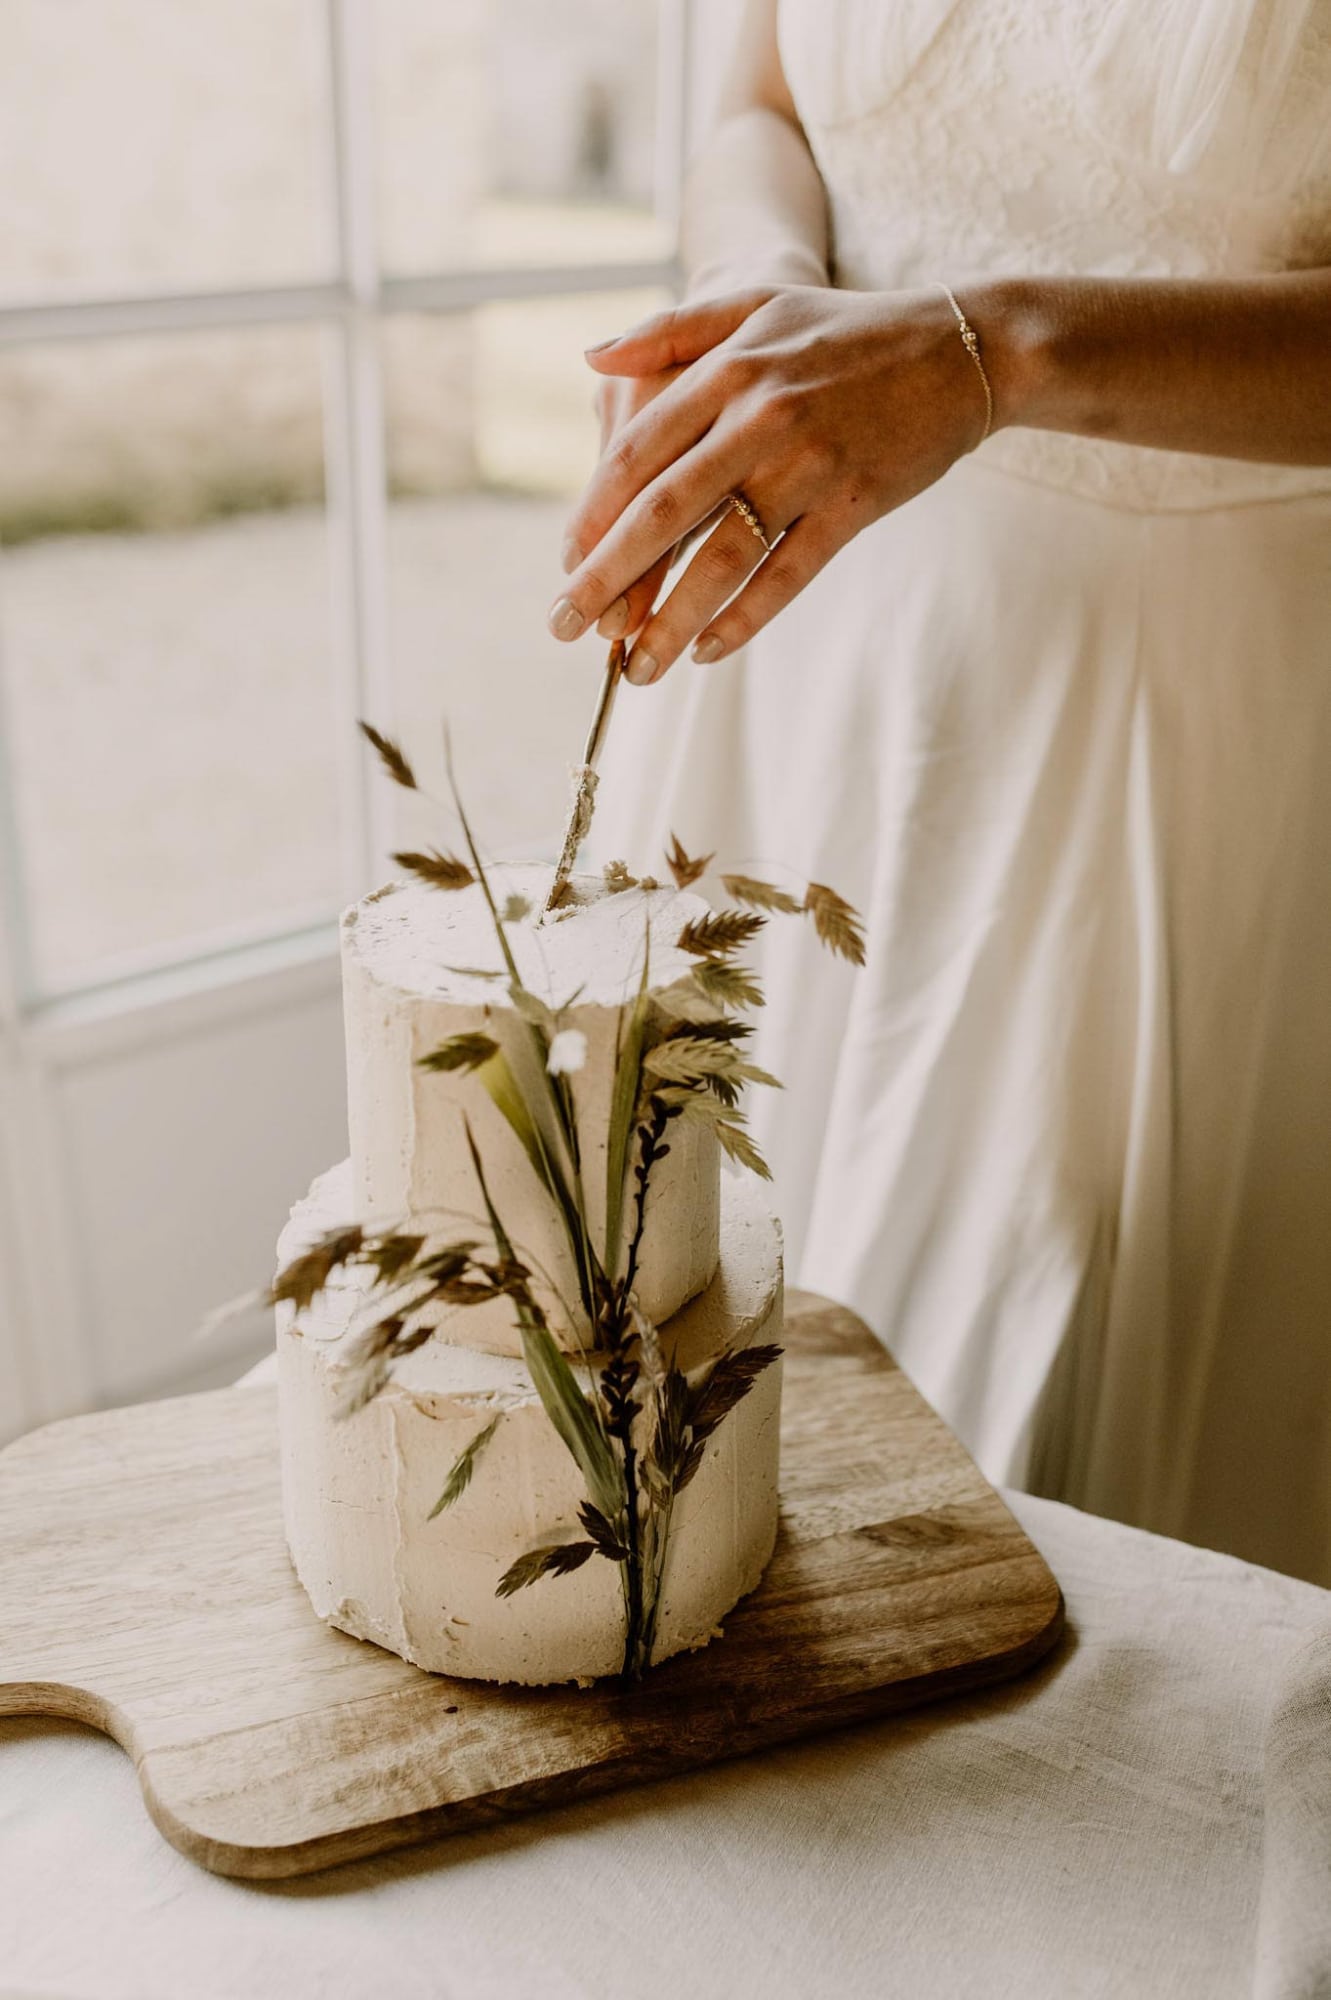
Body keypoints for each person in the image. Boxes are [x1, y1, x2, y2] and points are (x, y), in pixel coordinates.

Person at [546, 0, 1331, 1585]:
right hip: (795, 672)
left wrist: (990, 354)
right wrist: (749, 293)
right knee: (642, 1422)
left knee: (1025, 1494)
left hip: (1166, 741)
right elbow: (760, 97)